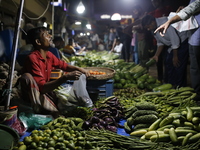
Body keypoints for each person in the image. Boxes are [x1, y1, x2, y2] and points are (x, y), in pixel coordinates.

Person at [19, 27, 90, 115]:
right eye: (46, 35)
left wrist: (79, 69)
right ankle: (39, 109)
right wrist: (65, 77)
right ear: (38, 42)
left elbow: (63, 66)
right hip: (33, 95)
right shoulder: (32, 58)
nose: (50, 36)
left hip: (44, 91)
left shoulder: (49, 55)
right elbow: (42, 88)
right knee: (58, 113)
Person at [154, 0, 200, 99]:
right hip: (192, 38)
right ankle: (195, 94)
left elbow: (189, 10)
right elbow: (189, 11)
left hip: (193, 40)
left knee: (184, 66)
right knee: (194, 69)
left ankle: (183, 88)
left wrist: (169, 21)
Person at [141, 15, 189, 88]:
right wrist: (156, 55)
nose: (148, 29)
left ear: (153, 22)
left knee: (178, 64)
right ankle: (171, 84)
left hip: (182, 42)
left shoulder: (165, 23)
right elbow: (160, 43)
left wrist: (175, 56)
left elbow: (175, 40)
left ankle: (180, 87)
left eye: (148, 27)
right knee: (168, 62)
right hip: (171, 45)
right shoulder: (153, 28)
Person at [148, 0, 173, 82]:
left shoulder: (168, 9)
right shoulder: (152, 13)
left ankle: (170, 80)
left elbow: (175, 39)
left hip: (171, 41)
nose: (154, 3)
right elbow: (160, 42)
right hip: (159, 42)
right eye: (152, 2)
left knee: (168, 62)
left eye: (155, 1)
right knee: (159, 61)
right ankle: (161, 78)